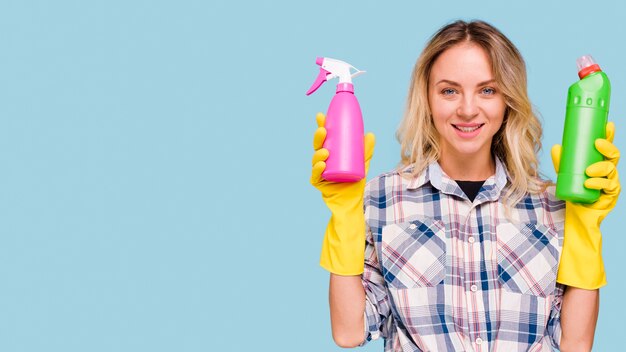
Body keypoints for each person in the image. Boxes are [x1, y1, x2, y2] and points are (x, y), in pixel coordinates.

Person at [310, 20, 620, 351]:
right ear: (427, 98)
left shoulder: (551, 205)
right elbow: (349, 331)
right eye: (449, 90)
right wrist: (344, 215)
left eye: (487, 90)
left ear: (507, 100)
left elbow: (575, 342)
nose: (468, 109)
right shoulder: (383, 198)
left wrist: (585, 228)